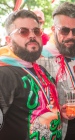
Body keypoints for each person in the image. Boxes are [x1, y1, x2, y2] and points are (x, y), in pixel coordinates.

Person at [37, 2, 75, 140]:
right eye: (65, 30)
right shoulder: (42, 58)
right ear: (53, 29)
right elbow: (40, 103)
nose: (71, 36)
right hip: (62, 128)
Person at [0, 10, 62, 140]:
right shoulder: (4, 73)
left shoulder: (40, 70)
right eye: (23, 31)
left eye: (36, 31)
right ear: (9, 40)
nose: (32, 35)